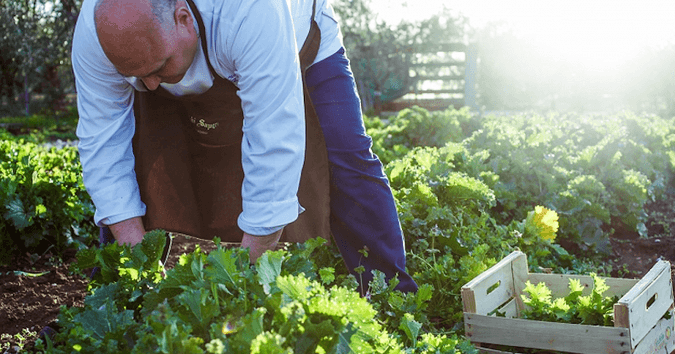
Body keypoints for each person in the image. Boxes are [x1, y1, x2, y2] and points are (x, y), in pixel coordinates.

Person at [72, 0, 418, 293]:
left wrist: (244, 284)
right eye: (133, 75)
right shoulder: (98, 30)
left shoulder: (249, 11)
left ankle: (391, 292)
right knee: (134, 164)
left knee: (345, 157)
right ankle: (117, 298)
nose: (147, 83)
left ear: (182, 17)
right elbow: (104, 145)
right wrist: (140, 268)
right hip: (186, 45)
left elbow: (274, 141)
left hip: (295, 41)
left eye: (158, 68)